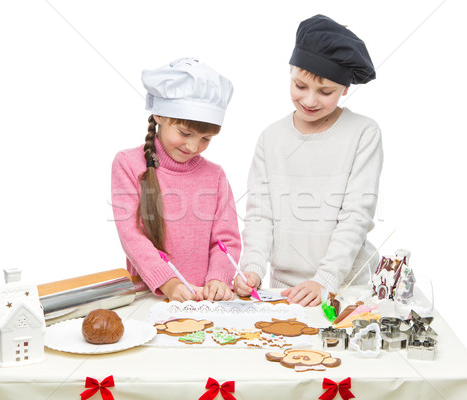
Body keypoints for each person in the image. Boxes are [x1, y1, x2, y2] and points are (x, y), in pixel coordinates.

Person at [235, 15, 383, 307]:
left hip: (345, 287)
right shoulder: (271, 138)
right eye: (300, 86)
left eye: (325, 91)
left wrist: (325, 280)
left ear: (345, 88)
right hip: (285, 292)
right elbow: (260, 215)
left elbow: (356, 214)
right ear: (290, 72)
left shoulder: (363, 133)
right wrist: (252, 267)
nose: (310, 100)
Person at [111, 57, 241, 302]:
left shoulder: (215, 175)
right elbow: (131, 235)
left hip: (204, 300)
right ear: (159, 115)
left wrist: (219, 278)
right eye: (185, 133)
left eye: (205, 139)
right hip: (150, 297)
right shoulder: (127, 164)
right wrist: (168, 282)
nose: (193, 146)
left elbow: (226, 239)